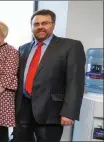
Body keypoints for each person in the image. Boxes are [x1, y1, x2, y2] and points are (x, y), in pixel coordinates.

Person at [14, 9, 86, 142]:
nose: (40, 27)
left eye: (45, 23)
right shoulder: (23, 48)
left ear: (53, 25)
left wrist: (69, 112)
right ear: (32, 27)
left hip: (51, 111)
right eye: (36, 24)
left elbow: (75, 82)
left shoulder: (70, 46)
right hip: (23, 109)